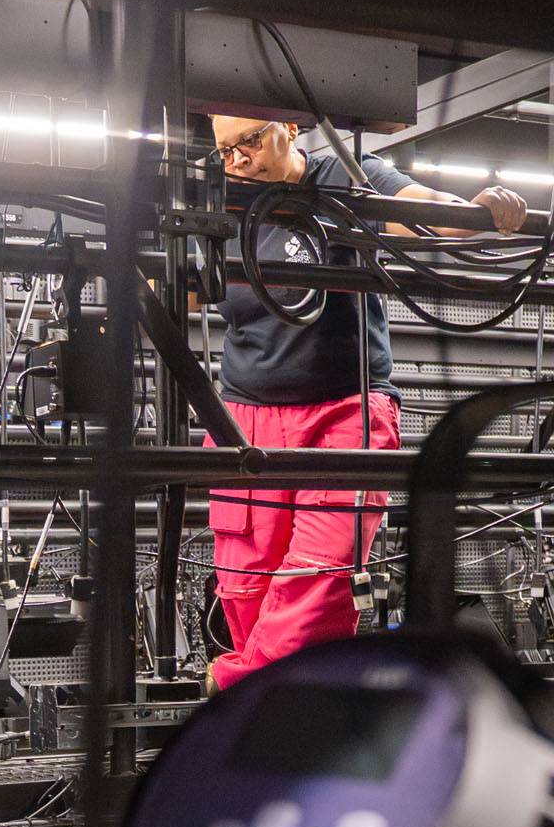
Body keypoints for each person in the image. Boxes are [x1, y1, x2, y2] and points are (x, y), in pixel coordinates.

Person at [206, 117, 529, 689]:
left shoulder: (347, 178)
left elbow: (421, 209)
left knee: (321, 575)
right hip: (243, 419)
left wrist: (476, 209)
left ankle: (241, 690)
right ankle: (280, 710)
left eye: (251, 141)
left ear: (289, 126)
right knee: (244, 582)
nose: (238, 160)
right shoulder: (220, 200)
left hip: (343, 412)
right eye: (225, 149)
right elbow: (170, 284)